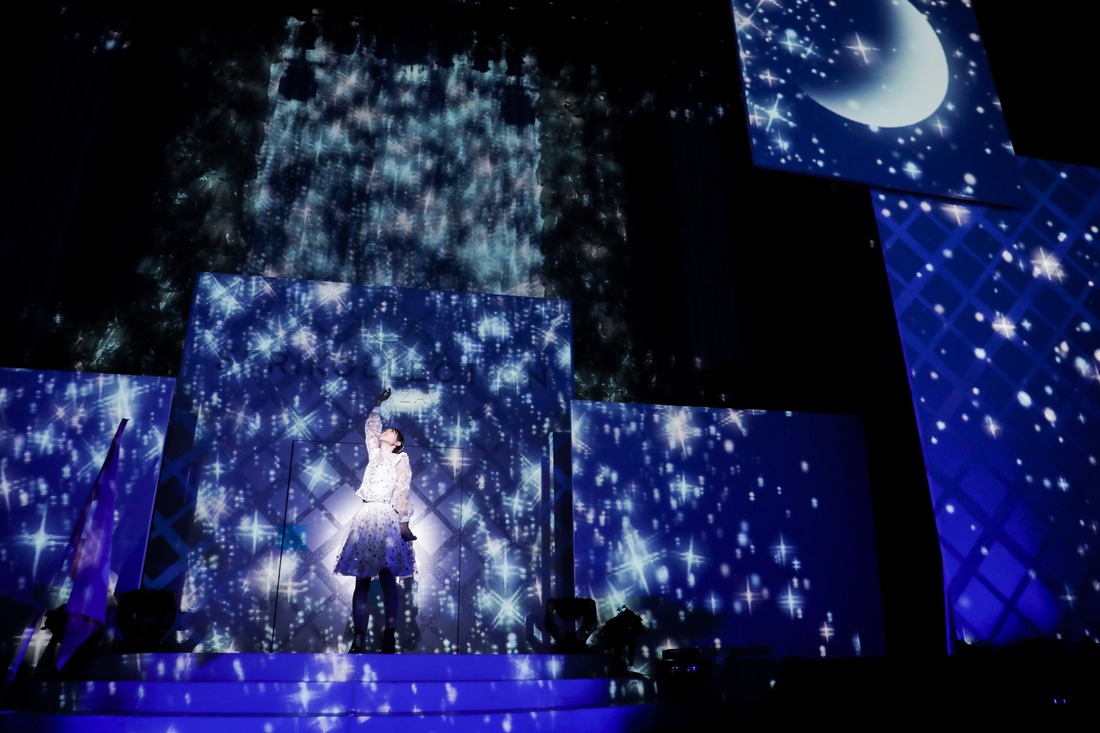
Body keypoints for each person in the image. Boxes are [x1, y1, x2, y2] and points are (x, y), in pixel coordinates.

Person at [334, 387, 417, 653]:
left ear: (398, 443)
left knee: (387, 576)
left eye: (392, 432)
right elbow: (371, 430)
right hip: (366, 516)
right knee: (361, 579)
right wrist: (377, 404)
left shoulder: (400, 460)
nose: (387, 431)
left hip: (386, 517)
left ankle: (388, 635)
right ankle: (359, 636)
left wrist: (404, 523)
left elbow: (402, 492)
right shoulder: (375, 454)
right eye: (386, 429)